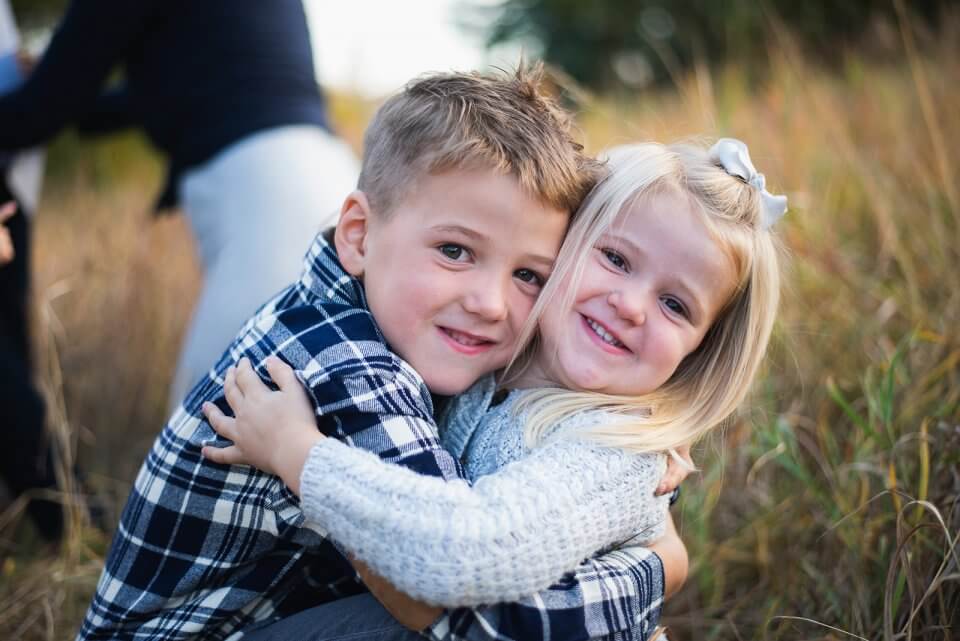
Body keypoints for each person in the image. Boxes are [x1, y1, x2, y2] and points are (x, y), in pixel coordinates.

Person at [77, 66, 678, 641]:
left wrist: (628, 451)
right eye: (455, 251)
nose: (491, 304)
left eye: (528, 275)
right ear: (360, 234)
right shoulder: (349, 370)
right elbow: (465, 606)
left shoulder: (367, 310)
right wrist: (655, 568)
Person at [200, 138, 787, 640]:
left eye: (675, 304)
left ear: (700, 350)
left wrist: (298, 455)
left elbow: (470, 554)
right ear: (562, 245)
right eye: (615, 258)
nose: (631, 306)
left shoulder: (615, 450)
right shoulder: (491, 364)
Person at [0, 0, 359, 409]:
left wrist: (49, 81)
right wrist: (59, 85)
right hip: (333, 182)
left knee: (197, 430)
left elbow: (38, 114)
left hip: (267, 209)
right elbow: (172, 91)